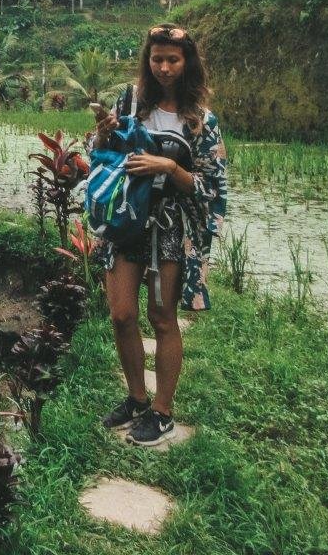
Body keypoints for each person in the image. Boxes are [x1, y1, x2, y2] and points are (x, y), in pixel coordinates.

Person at [91, 23, 227, 447]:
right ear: (147, 62)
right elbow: (104, 154)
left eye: (173, 59)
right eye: (157, 59)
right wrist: (103, 134)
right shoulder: (130, 102)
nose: (164, 67)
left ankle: (162, 410)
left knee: (163, 318)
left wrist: (168, 167)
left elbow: (212, 188)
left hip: (169, 227)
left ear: (187, 63)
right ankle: (135, 398)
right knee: (121, 314)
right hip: (126, 219)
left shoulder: (201, 122)